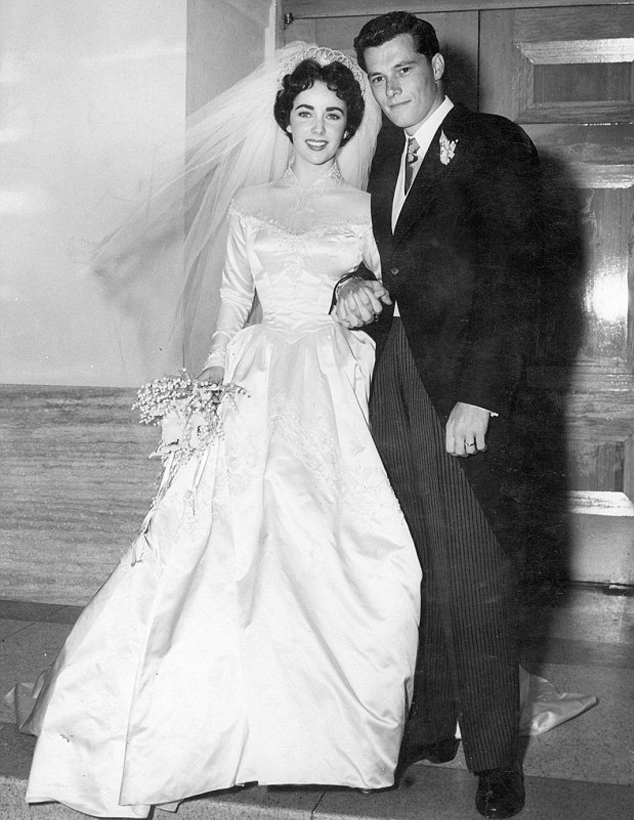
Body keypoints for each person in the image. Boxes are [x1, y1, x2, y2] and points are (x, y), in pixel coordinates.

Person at [7, 48, 422, 817]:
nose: (320, 128)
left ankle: (318, 732)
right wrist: (206, 396)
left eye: (335, 114)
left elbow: (399, 296)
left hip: (334, 381)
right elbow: (233, 310)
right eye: (306, 112)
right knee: (221, 540)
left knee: (335, 545)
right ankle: (201, 723)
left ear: (350, 125)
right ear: (285, 120)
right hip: (256, 379)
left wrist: (365, 292)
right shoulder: (250, 206)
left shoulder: (367, 209)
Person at [334, 12, 544, 819]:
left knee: (474, 577)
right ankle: (430, 723)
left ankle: (494, 756)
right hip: (393, 386)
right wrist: (345, 288)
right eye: (377, 78)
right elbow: (369, 262)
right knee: (411, 566)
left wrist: (483, 394)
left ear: (436, 69)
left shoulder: (493, 144)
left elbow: (516, 276)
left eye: (404, 72)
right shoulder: (385, 159)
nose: (391, 91)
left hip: (460, 394)